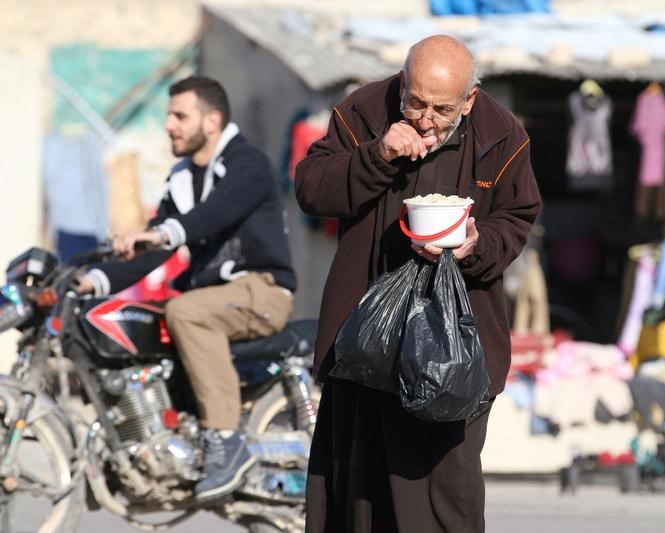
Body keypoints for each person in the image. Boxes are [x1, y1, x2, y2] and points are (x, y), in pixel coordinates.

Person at [295, 35, 541, 532]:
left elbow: (517, 217)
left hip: (455, 350)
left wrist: (476, 245)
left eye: (441, 108)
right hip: (365, 342)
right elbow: (312, 189)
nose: (425, 118)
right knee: (355, 492)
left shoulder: (503, 135)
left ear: (469, 100)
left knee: (444, 499)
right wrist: (377, 153)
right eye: (416, 102)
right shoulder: (362, 112)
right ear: (403, 84)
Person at [75, 76, 297, 500]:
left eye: (180, 116)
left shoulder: (247, 163)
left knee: (185, 311)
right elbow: (153, 251)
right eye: (168, 116)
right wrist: (92, 281)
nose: (169, 125)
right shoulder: (182, 179)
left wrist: (161, 234)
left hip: (262, 290)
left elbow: (213, 214)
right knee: (150, 320)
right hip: (215, 300)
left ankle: (226, 441)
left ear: (212, 120)